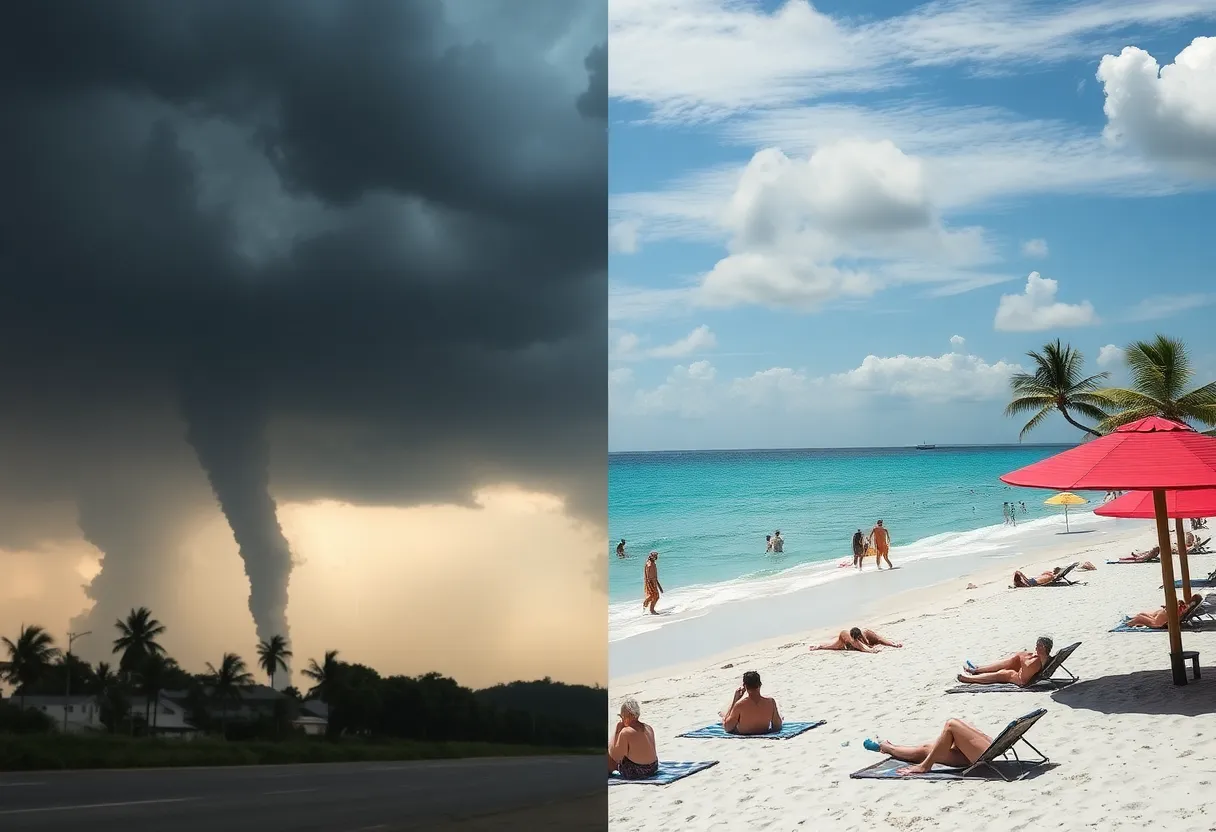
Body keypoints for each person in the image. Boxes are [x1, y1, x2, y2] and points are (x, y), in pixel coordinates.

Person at [862, 718, 994, 777]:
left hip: (983, 752)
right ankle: (887, 747)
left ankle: (924, 766)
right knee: (927, 749)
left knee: (951, 724)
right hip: (982, 751)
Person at [955, 637, 1053, 687]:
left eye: (1038, 645)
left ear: (1044, 648)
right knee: (1011, 661)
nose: (1036, 647)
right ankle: (977, 669)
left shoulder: (1035, 661)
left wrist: (1022, 656)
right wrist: (1020, 656)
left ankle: (968, 679)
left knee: (1004, 673)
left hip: (1020, 679)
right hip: (1025, 672)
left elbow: (1027, 666)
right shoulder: (1044, 656)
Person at [608, 697, 658, 779]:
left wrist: (617, 732)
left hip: (637, 771)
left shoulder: (625, 732)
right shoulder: (649, 728)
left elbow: (617, 756)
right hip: (653, 768)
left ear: (626, 716)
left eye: (622, 716)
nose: (621, 719)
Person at [721, 670, 783, 735]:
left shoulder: (739, 705)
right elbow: (777, 727)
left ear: (745, 686)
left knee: (723, 714)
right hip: (763, 731)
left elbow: (727, 728)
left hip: (744, 733)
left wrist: (735, 700)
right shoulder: (771, 702)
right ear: (760, 684)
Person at [1124, 595, 1199, 629]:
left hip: (1158, 623)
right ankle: (1132, 623)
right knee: (1141, 614)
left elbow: (1177, 615)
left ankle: (1125, 626)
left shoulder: (1186, 610)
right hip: (1159, 619)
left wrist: (1174, 605)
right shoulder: (1186, 607)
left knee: (1139, 618)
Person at [809, 626, 902, 652]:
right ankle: (818, 646)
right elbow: (862, 647)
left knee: (879, 639)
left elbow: (881, 638)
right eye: (856, 638)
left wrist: (893, 644)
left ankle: (893, 644)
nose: (858, 639)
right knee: (834, 646)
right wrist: (871, 650)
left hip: (864, 636)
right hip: (844, 638)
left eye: (858, 637)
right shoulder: (849, 637)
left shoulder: (866, 632)